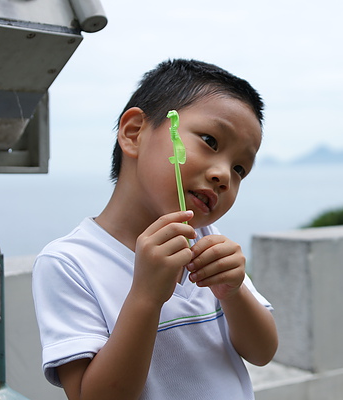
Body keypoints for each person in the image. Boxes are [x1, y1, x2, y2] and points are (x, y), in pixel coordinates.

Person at [32, 59, 278, 400]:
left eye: (240, 168)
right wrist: (146, 296)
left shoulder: (208, 243)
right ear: (134, 133)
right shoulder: (70, 263)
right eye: (210, 140)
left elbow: (262, 352)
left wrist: (234, 293)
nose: (224, 175)